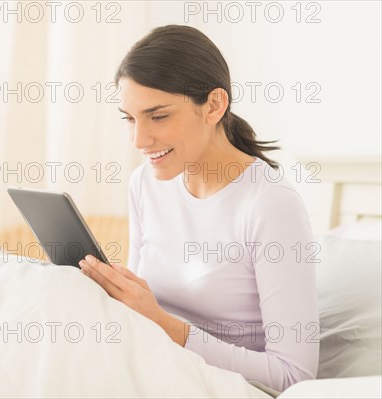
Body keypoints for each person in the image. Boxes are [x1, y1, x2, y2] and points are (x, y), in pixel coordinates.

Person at [78, 25, 319, 393]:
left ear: (214, 105)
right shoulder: (144, 184)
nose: (139, 140)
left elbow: (294, 376)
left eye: (158, 116)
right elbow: (141, 312)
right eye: (129, 118)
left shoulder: (271, 205)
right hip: (149, 364)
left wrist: (165, 325)